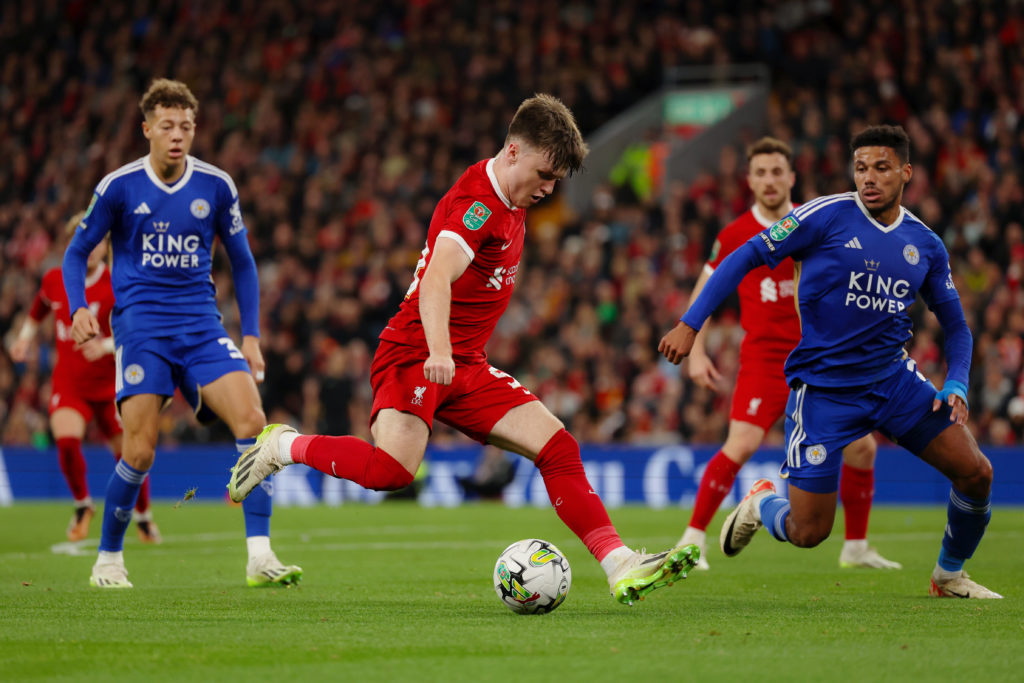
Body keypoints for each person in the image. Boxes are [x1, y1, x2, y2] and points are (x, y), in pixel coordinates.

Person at [229, 94, 698, 605]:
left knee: (557, 446)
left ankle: (619, 564)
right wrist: (438, 351)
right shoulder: (476, 205)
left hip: (464, 363)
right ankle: (283, 446)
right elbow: (435, 279)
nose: (548, 188)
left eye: (556, 181)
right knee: (392, 471)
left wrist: (454, 356)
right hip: (416, 353)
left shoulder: (515, 201)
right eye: (545, 174)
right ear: (513, 151)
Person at [659, 125, 1000, 599]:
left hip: (894, 383)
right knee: (808, 532)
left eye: (881, 167)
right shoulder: (823, 216)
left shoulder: (925, 244)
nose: (869, 178)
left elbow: (958, 327)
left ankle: (948, 574)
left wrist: (957, 382)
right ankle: (761, 503)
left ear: (906, 172)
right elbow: (745, 257)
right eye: (861, 168)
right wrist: (691, 324)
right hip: (824, 392)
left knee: (977, 471)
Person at [63, 78, 300, 588]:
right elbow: (76, 252)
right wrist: (79, 307)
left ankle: (259, 555)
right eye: (167, 126)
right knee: (140, 451)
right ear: (146, 128)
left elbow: (243, 262)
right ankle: (108, 558)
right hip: (141, 328)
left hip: (200, 326)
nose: (177, 135)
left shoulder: (216, 186)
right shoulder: (118, 186)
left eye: (186, 126)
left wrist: (252, 335)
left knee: (253, 421)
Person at [678, 137, 899, 571]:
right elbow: (705, 289)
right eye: (760, 173)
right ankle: (692, 540)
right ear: (749, 181)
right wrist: (696, 352)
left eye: (777, 171)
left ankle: (856, 547)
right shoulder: (734, 234)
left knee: (864, 450)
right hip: (763, 361)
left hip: (820, 361)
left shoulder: (816, 221)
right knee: (741, 442)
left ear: (792, 176)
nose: (770, 180)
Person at [10, 212, 160, 544]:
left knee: (131, 454)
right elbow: (37, 312)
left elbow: (140, 329)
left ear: (107, 246)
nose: (92, 247)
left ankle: (144, 516)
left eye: (98, 241)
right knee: (65, 440)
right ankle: (82, 506)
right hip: (71, 383)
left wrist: (106, 346)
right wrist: (24, 337)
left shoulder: (120, 282)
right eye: (85, 241)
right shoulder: (54, 280)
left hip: (113, 385)